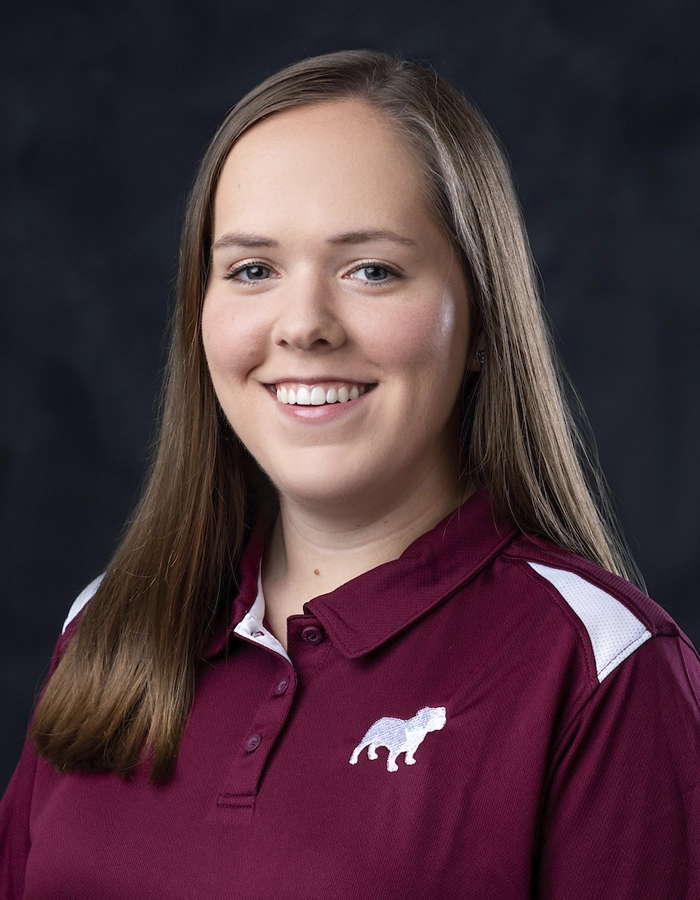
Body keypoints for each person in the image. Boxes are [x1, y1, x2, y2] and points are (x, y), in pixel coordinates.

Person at [1, 49, 698, 899]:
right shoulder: (105, 623)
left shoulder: (605, 668)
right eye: (253, 270)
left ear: (480, 320)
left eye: (371, 269)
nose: (303, 326)